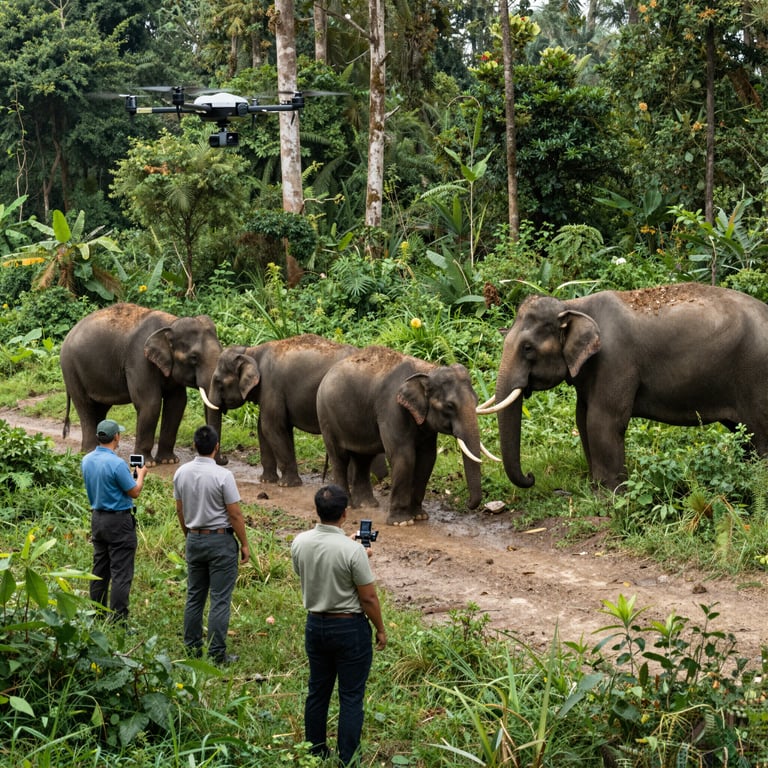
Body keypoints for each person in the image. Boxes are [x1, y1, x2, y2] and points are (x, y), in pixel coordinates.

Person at [291, 484, 387, 766]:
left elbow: (306, 570)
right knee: (351, 696)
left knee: (318, 691)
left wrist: (349, 545)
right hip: (349, 629)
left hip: (315, 626)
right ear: (345, 513)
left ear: (317, 510)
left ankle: (315, 751)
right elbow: (368, 597)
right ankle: (348, 758)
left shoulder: (300, 542)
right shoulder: (353, 551)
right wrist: (380, 629)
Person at [173, 425, 250, 664]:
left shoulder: (181, 473)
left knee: (194, 595)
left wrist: (189, 535)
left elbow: (180, 509)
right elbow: (234, 514)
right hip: (220, 541)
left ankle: (191, 647)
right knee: (220, 598)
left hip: (194, 537)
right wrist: (244, 543)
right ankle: (217, 653)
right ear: (216, 447)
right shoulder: (223, 475)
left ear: (194, 446)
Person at [81, 419, 149, 623]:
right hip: (119, 521)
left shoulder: (87, 459)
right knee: (121, 572)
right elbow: (134, 491)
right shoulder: (117, 464)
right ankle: (118, 619)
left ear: (98, 437)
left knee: (99, 569)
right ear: (116, 437)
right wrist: (140, 474)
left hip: (97, 518)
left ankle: (97, 614)